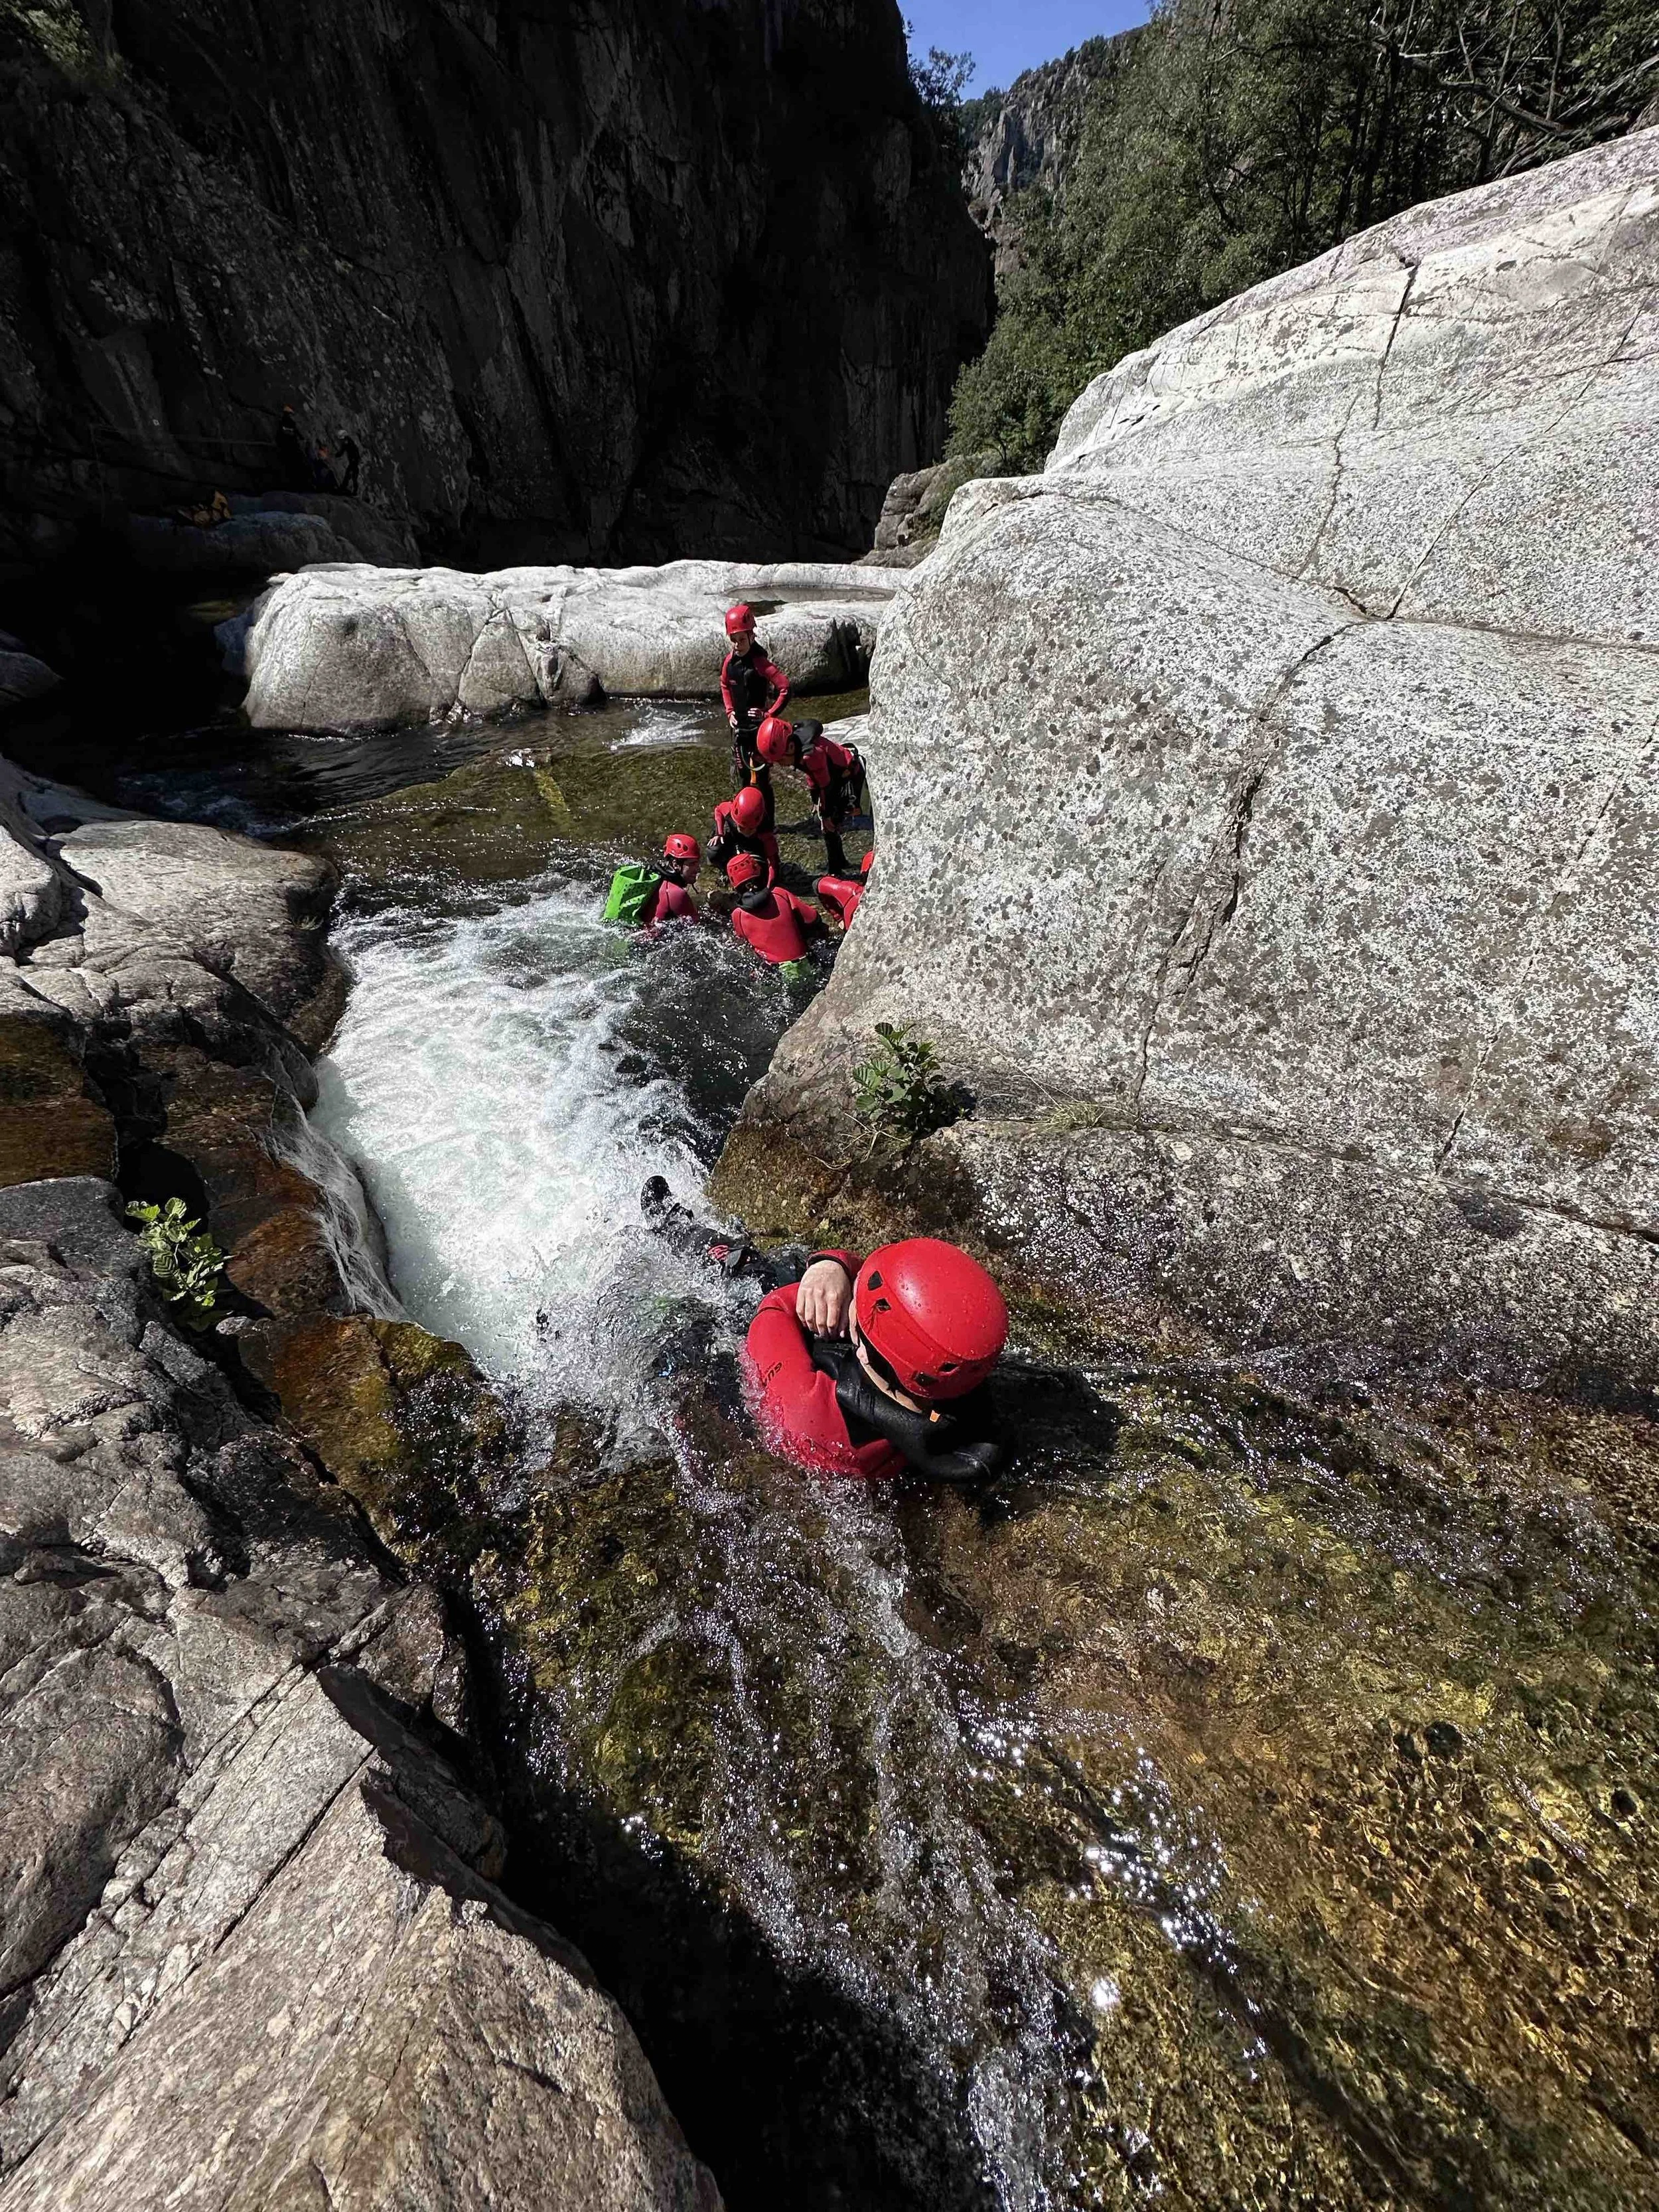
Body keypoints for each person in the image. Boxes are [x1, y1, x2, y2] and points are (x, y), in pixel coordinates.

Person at [744, 1239, 1007, 1481]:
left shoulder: (810, 1405)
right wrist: (840, 1266)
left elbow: (774, 1309)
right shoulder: (956, 1372)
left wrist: (828, 1265)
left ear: (863, 1350)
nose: (855, 1285)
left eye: (857, 1297)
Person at [755, 716, 867, 876]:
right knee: (824, 821)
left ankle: (836, 871)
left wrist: (827, 813)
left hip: (847, 776)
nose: (779, 764)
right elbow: (811, 775)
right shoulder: (798, 749)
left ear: (791, 747)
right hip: (833, 778)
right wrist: (816, 799)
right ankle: (840, 861)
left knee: (830, 823)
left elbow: (827, 786)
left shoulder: (811, 754)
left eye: (780, 759)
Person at [720, 605, 790, 786]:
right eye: (733, 640)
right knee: (743, 776)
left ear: (752, 636)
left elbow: (785, 688)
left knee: (761, 780)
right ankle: (746, 812)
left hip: (759, 731)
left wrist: (769, 715)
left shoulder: (760, 663)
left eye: (742, 639)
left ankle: (766, 815)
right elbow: (724, 684)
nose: (737, 645)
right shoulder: (730, 662)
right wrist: (729, 712)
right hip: (739, 729)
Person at [724, 850, 825, 973]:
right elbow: (813, 918)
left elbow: (743, 943)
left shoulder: (738, 915)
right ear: (760, 872)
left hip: (774, 973)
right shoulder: (780, 894)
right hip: (803, 965)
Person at [603, 834, 702, 929]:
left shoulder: (655, 880)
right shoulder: (677, 894)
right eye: (692, 864)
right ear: (675, 864)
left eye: (698, 863)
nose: (698, 869)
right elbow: (698, 927)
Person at [708, 783, 779, 879]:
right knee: (714, 851)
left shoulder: (765, 832)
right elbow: (719, 810)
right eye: (742, 827)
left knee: (756, 873)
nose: (746, 832)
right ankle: (726, 871)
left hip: (753, 848)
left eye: (750, 829)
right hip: (734, 838)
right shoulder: (729, 811)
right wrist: (719, 834)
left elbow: (773, 864)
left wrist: (768, 887)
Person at [816, 846, 873, 929]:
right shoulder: (850, 891)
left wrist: (838, 916)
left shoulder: (849, 891)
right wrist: (838, 917)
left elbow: (818, 884)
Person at [277, 404, 309, 490]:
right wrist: (303, 439)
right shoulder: (291, 423)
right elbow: (297, 433)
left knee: (286, 465)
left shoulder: (281, 421)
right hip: (292, 447)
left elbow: (279, 435)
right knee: (296, 465)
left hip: (284, 447)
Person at [336, 431, 362, 496]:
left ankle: (344, 488)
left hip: (353, 461)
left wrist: (336, 455)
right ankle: (352, 491)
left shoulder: (347, 442)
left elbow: (342, 452)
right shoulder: (350, 442)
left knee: (349, 475)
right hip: (354, 461)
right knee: (353, 476)